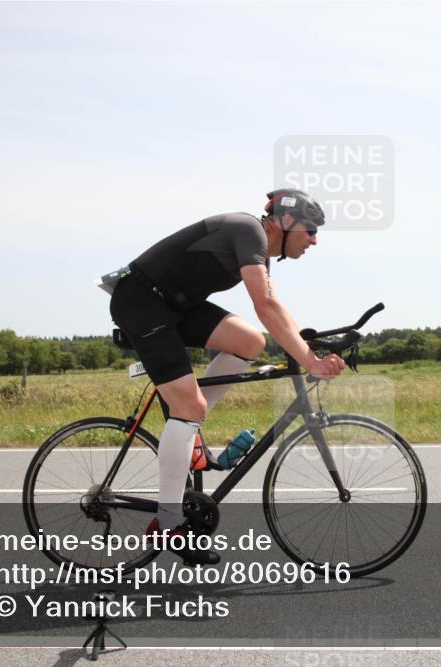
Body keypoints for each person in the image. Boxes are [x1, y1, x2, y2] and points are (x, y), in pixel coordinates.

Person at [107, 189, 346, 564]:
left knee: (250, 342)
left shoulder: (258, 250)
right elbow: (265, 305)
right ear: (286, 222)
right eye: (312, 229)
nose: (315, 239)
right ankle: (169, 524)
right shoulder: (248, 231)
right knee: (189, 403)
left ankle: (190, 427)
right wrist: (310, 360)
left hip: (174, 304)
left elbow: (274, 307)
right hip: (142, 301)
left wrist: (306, 345)